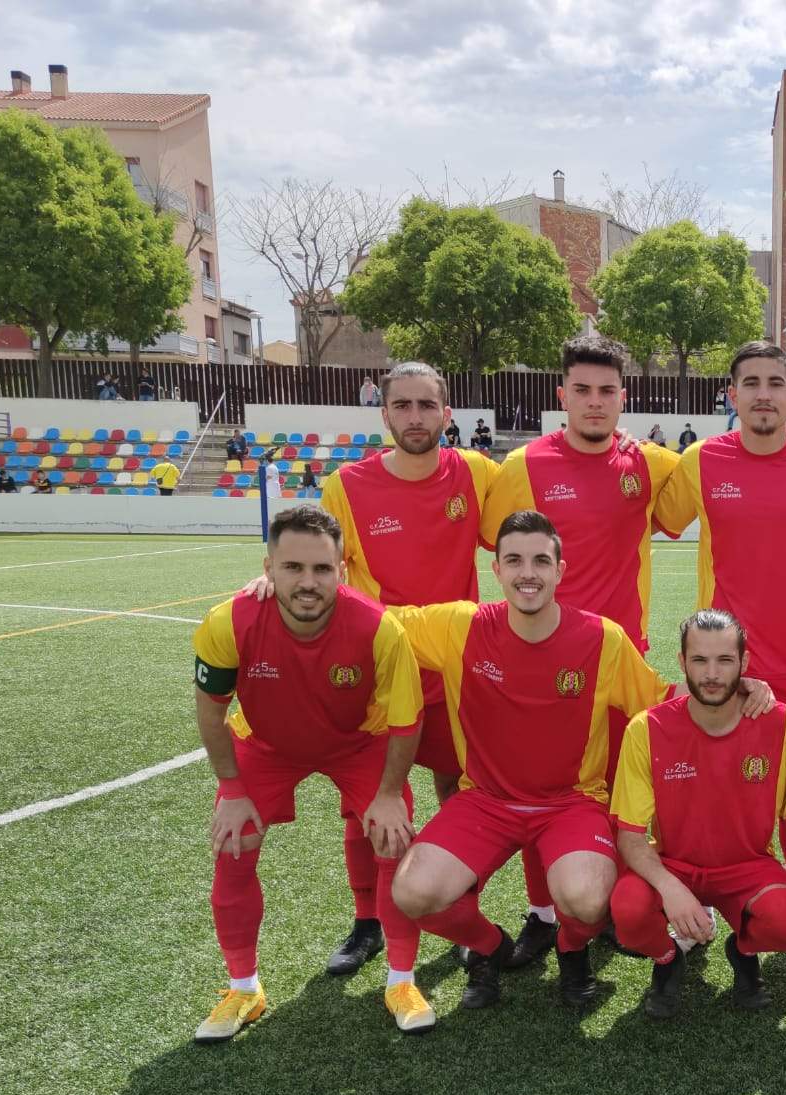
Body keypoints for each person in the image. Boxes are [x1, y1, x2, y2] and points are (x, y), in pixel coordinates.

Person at [484, 336, 786, 965]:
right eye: (581, 390)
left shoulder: (651, 462)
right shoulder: (522, 467)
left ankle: (623, 904)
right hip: (543, 659)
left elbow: (734, 452)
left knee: (617, 789)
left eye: (607, 391)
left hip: (623, 660)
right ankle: (543, 911)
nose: (593, 403)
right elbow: (499, 549)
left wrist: (784, 423)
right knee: (545, 783)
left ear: (624, 398)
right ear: (561, 395)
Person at [241, 361, 497, 979]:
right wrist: (265, 576)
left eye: (426, 405)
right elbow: (316, 558)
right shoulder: (345, 486)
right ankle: (367, 922)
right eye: (402, 406)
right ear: (384, 414)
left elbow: (521, 540)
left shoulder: (479, 475)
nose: (414, 417)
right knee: (369, 806)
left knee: (458, 793)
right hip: (380, 670)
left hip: (455, 670)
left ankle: (464, 915)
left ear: (447, 411)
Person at [387, 511, 676, 1010]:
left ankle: (570, 948)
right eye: (515, 560)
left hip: (571, 803)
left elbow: (662, 707)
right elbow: (376, 621)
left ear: (560, 570)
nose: (528, 573)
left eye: (541, 560)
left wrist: (743, 692)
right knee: (413, 893)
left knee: (586, 899)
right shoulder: (461, 625)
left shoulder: (602, 639)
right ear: (495, 569)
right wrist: (282, 585)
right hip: (485, 803)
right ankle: (490, 948)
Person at [189, 505, 429, 1041]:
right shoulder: (229, 622)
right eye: (293, 568)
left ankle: (401, 979)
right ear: (268, 567)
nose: (308, 582)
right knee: (234, 843)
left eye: (322, 569)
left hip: (357, 743)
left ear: (342, 570)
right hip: (268, 745)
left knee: (393, 840)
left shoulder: (378, 628)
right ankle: (243, 989)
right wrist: (231, 789)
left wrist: (390, 794)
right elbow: (211, 712)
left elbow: (406, 722)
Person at [610, 610, 786, 1017]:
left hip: (747, 865)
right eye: (700, 660)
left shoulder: (778, 721)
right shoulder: (647, 728)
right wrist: (670, 888)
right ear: (682, 662)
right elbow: (631, 835)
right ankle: (668, 961)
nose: (712, 674)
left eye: (724, 660)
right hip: (674, 864)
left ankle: (742, 951)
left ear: (744, 662)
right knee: (628, 911)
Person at [654, 341, 786, 719]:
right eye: (751, 384)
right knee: (721, 774)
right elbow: (657, 516)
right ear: (733, 396)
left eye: (775, 384)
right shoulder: (700, 460)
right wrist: (621, 443)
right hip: (720, 663)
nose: (764, 394)